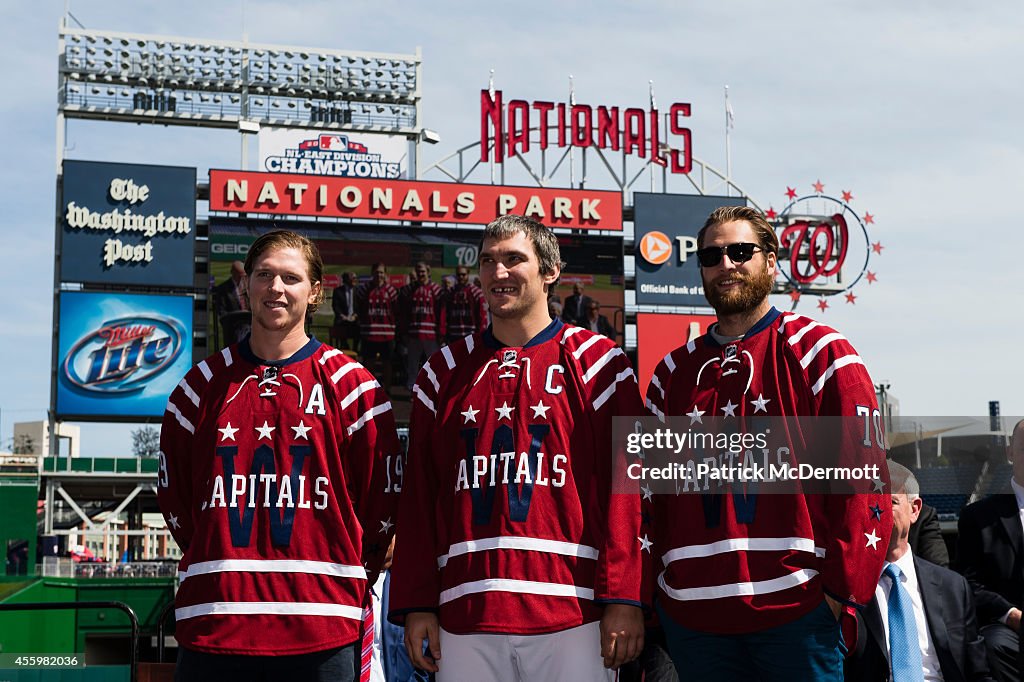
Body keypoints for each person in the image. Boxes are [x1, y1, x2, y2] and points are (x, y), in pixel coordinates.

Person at [388, 214, 647, 681]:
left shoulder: (602, 364)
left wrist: (624, 597)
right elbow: (419, 500)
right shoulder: (441, 372)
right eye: (488, 261)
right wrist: (417, 603)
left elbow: (630, 489)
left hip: (574, 612)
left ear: (549, 271)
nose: (498, 272)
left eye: (513, 259)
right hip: (466, 610)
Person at [644, 205, 892, 680]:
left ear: (771, 261)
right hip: (694, 620)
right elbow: (647, 499)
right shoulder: (671, 373)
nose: (726, 264)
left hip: (798, 614)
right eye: (712, 255)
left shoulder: (822, 351)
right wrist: (660, 598)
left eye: (740, 251)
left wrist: (841, 592)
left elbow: (864, 478)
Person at [158, 230, 402, 682]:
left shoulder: (354, 387)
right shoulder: (198, 388)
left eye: (290, 277)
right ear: (247, 284)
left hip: (322, 625)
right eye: (264, 275)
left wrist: (343, 575)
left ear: (315, 292)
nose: (276, 287)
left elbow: (381, 505)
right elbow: (176, 502)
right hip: (216, 621)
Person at [845, 461, 994, 681]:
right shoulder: (845, 588)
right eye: (870, 502)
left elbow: (977, 670)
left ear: (914, 510)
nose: (877, 511)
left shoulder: (953, 588)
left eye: (891, 501)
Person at [957, 418, 1024, 682]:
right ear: (1010, 452)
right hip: (1009, 625)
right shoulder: (978, 516)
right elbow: (969, 584)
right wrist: (1012, 615)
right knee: (993, 645)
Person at [399, 263, 443, 393]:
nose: (421, 274)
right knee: (413, 363)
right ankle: (412, 387)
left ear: (428, 272)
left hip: (431, 334)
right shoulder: (410, 290)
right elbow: (405, 313)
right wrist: (404, 332)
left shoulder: (436, 289)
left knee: (434, 363)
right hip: (414, 333)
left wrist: (440, 332)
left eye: (423, 272)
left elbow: (441, 312)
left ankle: (435, 387)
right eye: (419, 272)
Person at [358, 263, 399, 393]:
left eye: (381, 272)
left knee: (387, 363)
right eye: (376, 272)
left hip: (387, 333)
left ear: (385, 274)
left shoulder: (391, 291)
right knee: (369, 364)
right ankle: (369, 390)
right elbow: (360, 310)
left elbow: (396, 311)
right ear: (372, 273)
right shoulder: (364, 290)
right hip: (369, 333)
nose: (379, 275)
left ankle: (387, 390)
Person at [440, 266, 487, 344]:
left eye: (463, 274)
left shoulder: (476, 293)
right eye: (458, 275)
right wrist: (443, 333)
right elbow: (444, 314)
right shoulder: (450, 292)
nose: (461, 277)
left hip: (471, 334)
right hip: (453, 334)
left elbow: (482, 316)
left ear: (468, 274)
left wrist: (481, 334)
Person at [212, 260, 251, 343]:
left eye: (243, 276)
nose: (241, 278)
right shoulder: (223, 289)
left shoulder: (249, 287)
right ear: (233, 273)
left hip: (250, 325)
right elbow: (221, 311)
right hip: (233, 328)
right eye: (239, 276)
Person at [331, 271, 360, 352]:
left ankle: (355, 350)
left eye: (355, 278)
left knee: (360, 327)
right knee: (339, 327)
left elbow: (360, 307)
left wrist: (355, 315)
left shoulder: (358, 291)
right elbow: (335, 306)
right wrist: (342, 316)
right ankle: (345, 347)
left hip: (355, 320)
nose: (355, 280)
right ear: (347, 279)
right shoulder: (338, 291)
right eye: (353, 278)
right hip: (342, 319)